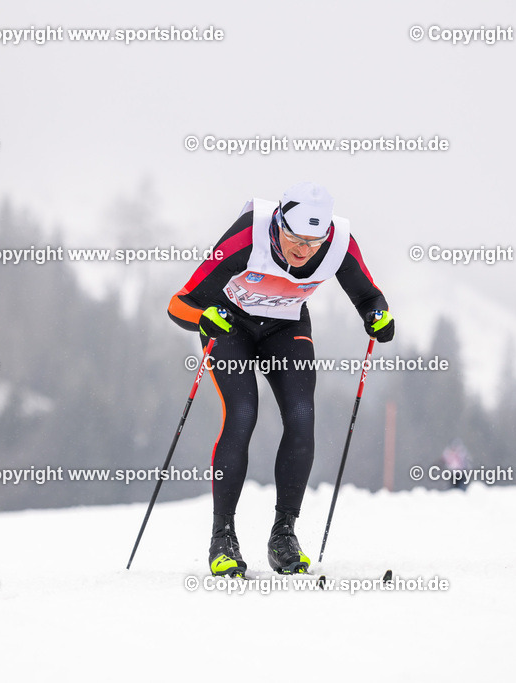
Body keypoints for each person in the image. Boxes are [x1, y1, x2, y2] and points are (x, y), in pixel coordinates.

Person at [168, 182, 393, 576]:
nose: (303, 250)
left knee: (302, 416)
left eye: (313, 242)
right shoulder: (247, 234)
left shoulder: (339, 241)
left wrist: (377, 316)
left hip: (285, 328)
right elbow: (179, 303)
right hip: (228, 325)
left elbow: (369, 296)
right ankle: (223, 536)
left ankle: (283, 535)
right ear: (278, 223)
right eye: (295, 238)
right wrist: (202, 317)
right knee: (242, 414)